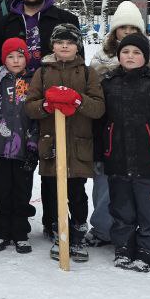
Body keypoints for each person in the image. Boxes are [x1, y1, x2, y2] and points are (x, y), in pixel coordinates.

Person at [95, 33, 150, 272]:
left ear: (145, 56)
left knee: (149, 210)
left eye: (136, 53)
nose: (130, 56)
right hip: (117, 159)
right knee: (121, 209)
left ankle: (149, 250)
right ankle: (123, 248)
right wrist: (100, 156)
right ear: (118, 55)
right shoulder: (108, 83)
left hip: (149, 161)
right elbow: (99, 124)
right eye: (125, 52)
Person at [86, 0, 150, 250]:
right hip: (111, 137)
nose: (127, 34)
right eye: (123, 29)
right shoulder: (100, 64)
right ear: (115, 32)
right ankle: (102, 229)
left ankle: (136, 235)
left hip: (141, 143)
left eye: (133, 29)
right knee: (104, 188)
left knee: (138, 193)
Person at [25, 23, 105, 263]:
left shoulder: (88, 72)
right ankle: (60, 233)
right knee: (53, 192)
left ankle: (78, 235)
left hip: (78, 145)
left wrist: (77, 99)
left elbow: (98, 108)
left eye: (69, 43)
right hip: (52, 144)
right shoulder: (43, 72)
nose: (64, 46)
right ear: (53, 46)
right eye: (60, 42)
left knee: (76, 192)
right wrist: (46, 106)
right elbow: (30, 106)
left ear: (77, 46)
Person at [0, 38, 38, 253]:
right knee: (0, 191)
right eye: (11, 56)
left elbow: (37, 116)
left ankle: (20, 232)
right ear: (4, 59)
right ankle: (1, 231)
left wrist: (33, 145)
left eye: (20, 56)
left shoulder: (33, 80)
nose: (16, 60)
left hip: (23, 148)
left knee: (21, 191)